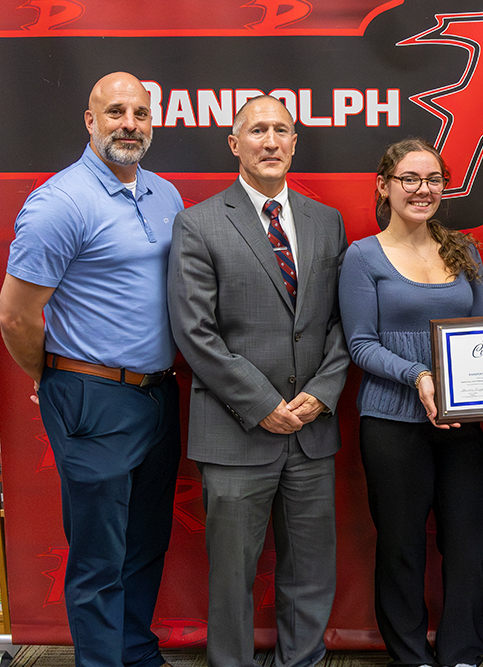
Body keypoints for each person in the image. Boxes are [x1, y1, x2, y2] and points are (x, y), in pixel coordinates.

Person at [0, 72, 182, 667]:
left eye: (140, 113)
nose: (129, 123)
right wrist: (49, 376)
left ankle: (134, 651)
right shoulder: (60, 202)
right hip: (93, 395)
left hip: (159, 395)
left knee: (146, 543)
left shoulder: (164, 194)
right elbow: (16, 316)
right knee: (99, 557)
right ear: (90, 121)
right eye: (115, 112)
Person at [167, 94, 348, 667]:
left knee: (311, 572)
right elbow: (195, 334)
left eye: (281, 131)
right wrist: (265, 404)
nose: (270, 141)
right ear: (234, 144)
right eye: (257, 131)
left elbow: (347, 323)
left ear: (295, 143)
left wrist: (321, 393)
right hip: (236, 431)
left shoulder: (327, 221)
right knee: (232, 578)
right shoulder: (198, 223)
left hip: (312, 432)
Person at [339, 138, 483, 667]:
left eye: (432, 180)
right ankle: (411, 658)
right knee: (401, 548)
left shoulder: (464, 249)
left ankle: (462, 655)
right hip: (391, 423)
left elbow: (476, 334)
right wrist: (419, 374)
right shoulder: (362, 256)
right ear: (384, 186)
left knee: (469, 551)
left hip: (460, 423)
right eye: (409, 179)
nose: (422, 190)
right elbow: (360, 344)